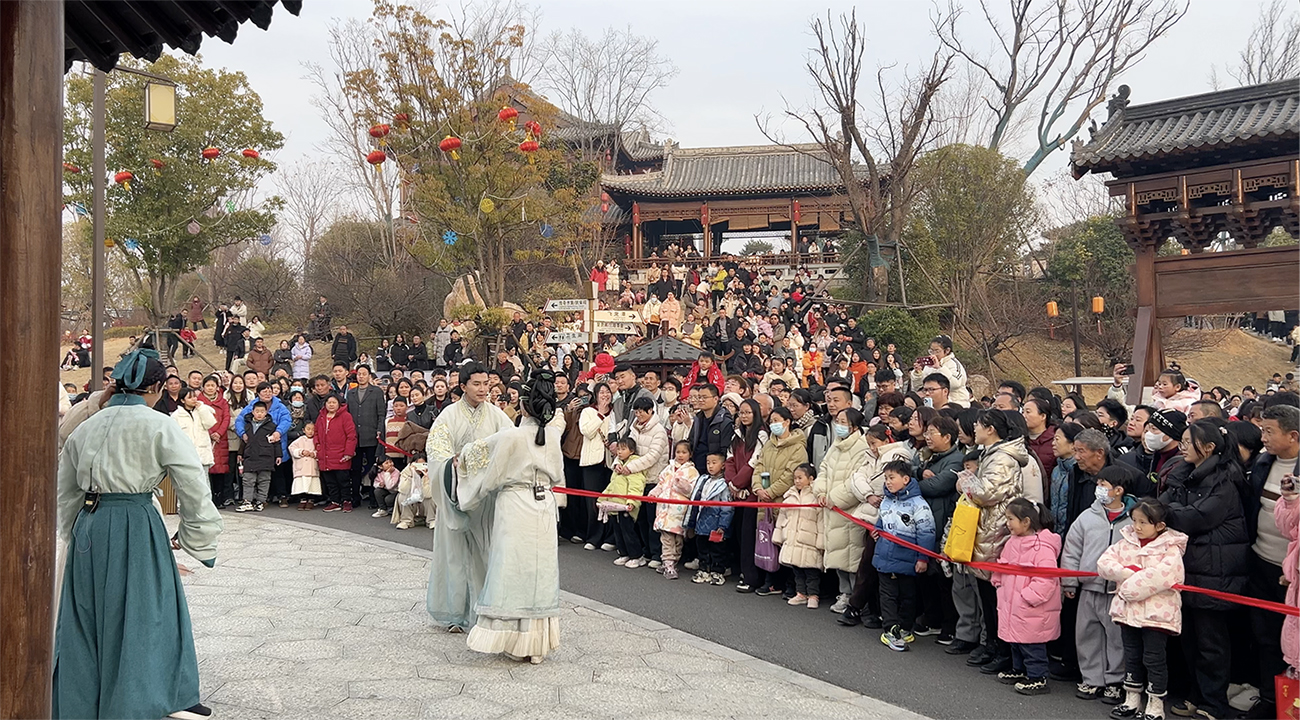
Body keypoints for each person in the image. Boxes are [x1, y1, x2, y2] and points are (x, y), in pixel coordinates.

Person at [54, 348, 222, 720]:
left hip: (89, 525)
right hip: (136, 521)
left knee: (85, 617)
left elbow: (66, 491)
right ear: (157, 387)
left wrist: (71, 532)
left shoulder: (87, 426)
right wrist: (198, 538)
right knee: (146, 610)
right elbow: (193, 485)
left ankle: (81, 703)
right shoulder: (160, 425)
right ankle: (146, 698)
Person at [452, 367, 564, 664]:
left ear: (524, 405)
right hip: (544, 504)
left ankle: (514, 639)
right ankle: (537, 643)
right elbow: (558, 474)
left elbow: (482, 466)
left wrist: (462, 464)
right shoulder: (553, 436)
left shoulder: (511, 436)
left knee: (512, 570)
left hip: (515, 504)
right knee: (540, 571)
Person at [1159, 419, 1250, 720]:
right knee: (1190, 640)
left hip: (1215, 570)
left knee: (1211, 643)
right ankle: (1195, 695)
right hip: (1190, 568)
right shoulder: (1184, 473)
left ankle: (1213, 704)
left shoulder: (1225, 480)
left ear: (1209, 447)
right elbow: (1161, 505)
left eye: (1189, 442)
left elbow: (1197, 518)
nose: (1183, 446)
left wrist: (1168, 513)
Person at [424, 362, 514, 632]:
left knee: (485, 554)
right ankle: (455, 613)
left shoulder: (497, 416)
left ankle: (485, 609)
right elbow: (436, 450)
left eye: (487, 383)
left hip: (485, 498)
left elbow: (512, 444)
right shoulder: (448, 416)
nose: (483, 389)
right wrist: (452, 464)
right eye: (477, 384)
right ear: (463, 386)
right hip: (455, 495)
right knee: (455, 555)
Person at [1096, 499, 1190, 720]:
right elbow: (1104, 563)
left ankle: (1156, 704)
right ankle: (1132, 699)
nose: (1137, 527)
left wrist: (1129, 586)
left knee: (1154, 658)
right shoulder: (1126, 542)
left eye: (1143, 522)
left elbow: (1167, 575)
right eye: (1135, 521)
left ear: (1160, 525)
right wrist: (1125, 573)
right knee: (1131, 655)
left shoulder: (1170, 547)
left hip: (1157, 614)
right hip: (1128, 613)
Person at [1060, 465, 1136, 704]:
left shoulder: (1133, 521)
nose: (1098, 489)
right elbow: (1072, 550)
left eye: (1103, 485)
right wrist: (1069, 582)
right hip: (1089, 587)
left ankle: (1115, 681)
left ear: (1118, 490)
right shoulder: (1087, 517)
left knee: (1117, 638)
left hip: (1118, 591)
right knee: (1087, 634)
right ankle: (1092, 679)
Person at [964, 409, 1028, 674]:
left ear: (990, 429)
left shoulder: (1002, 458)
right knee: (986, 596)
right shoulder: (990, 453)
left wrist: (965, 482)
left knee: (995, 597)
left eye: (978, 425)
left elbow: (987, 493)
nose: (975, 429)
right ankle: (991, 643)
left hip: (997, 531)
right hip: (987, 529)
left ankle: (1003, 650)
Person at [991, 498, 1062, 696]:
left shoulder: (1042, 547)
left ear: (1026, 522)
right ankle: (1019, 669)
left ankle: (1038, 677)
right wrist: (998, 582)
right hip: (1011, 602)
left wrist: (1027, 597)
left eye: (1010, 519)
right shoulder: (1012, 542)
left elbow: (1046, 579)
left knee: (1032, 645)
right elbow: (1002, 565)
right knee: (1016, 641)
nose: (1007, 523)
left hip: (1031, 607)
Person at [873, 460, 937, 652]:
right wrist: (876, 530)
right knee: (887, 595)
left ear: (906, 479)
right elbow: (882, 520)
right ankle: (890, 629)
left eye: (892, 478)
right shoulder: (886, 500)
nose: (888, 482)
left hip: (908, 558)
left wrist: (923, 558)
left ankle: (905, 627)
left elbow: (927, 533)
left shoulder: (919, 505)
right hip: (885, 555)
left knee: (908, 595)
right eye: (886, 478)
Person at [815, 407, 873, 615]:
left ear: (854, 426)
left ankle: (857, 598)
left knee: (853, 555)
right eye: (837, 421)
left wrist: (834, 498)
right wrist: (821, 492)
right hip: (831, 508)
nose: (838, 425)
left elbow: (857, 481)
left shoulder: (862, 446)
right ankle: (844, 593)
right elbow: (823, 469)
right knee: (838, 553)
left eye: (843, 422)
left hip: (850, 509)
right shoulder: (836, 444)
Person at [648, 441, 701, 581]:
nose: (680, 455)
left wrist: (681, 484)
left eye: (684, 452)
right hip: (665, 510)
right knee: (667, 539)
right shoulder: (669, 468)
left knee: (678, 541)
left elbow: (692, 491)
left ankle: (671, 562)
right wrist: (654, 494)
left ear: (690, 454)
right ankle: (668, 563)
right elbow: (661, 484)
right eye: (678, 452)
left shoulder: (692, 472)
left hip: (679, 511)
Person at [774, 463, 824, 608]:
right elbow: (782, 517)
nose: (797, 481)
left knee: (811, 571)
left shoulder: (816, 496)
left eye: (800, 478)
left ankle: (813, 595)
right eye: (795, 478)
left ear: (811, 478)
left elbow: (822, 521)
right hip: (792, 539)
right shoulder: (789, 496)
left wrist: (821, 543)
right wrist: (778, 536)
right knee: (797, 569)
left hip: (810, 540)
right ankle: (801, 593)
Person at [684, 452, 733, 586]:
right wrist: (692, 523)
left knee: (717, 550)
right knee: (702, 548)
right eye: (708, 463)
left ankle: (717, 572)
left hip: (716, 523)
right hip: (702, 521)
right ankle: (703, 570)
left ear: (723, 465)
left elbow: (727, 508)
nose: (710, 466)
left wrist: (723, 526)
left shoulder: (724, 485)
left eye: (714, 463)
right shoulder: (704, 480)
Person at [598, 437, 648, 568]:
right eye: (618, 449)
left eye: (623, 449)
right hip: (615, 506)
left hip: (626, 506)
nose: (619, 452)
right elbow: (612, 485)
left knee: (628, 532)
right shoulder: (618, 466)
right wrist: (602, 499)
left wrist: (632, 502)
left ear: (632, 451)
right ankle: (624, 553)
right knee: (618, 531)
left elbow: (636, 487)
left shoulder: (634, 466)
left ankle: (637, 556)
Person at [315, 395, 358, 512]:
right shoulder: (321, 416)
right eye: (329, 402)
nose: (331, 405)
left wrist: (348, 452)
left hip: (341, 453)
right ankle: (335, 501)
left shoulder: (345, 416)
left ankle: (346, 501)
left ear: (339, 404)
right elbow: (316, 432)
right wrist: (317, 445)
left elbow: (351, 435)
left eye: (334, 402)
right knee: (330, 481)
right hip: (324, 454)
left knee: (343, 480)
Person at [909, 335, 971, 407]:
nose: (933, 354)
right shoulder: (929, 366)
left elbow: (956, 384)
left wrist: (940, 368)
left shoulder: (954, 364)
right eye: (931, 351)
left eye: (937, 351)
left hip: (955, 404)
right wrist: (918, 373)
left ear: (947, 350)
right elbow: (918, 387)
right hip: (933, 405)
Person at [289, 421, 321, 510]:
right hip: (301, 468)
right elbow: (292, 448)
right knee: (301, 484)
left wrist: (314, 454)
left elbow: (321, 450)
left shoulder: (317, 440)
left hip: (312, 467)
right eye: (308, 429)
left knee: (312, 485)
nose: (310, 431)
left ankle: (311, 500)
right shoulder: (300, 440)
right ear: (303, 430)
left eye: (313, 429)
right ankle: (302, 500)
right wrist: (301, 452)